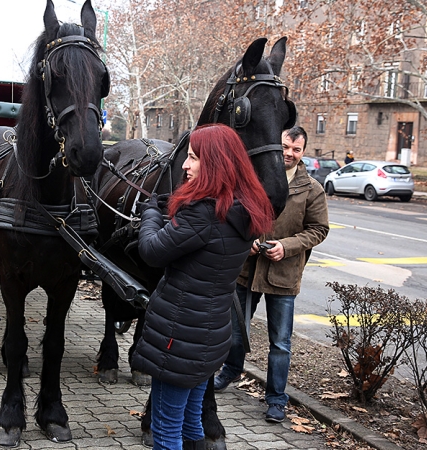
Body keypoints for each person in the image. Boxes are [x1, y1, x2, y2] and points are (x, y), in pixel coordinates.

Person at [130, 124, 275, 450]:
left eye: (193, 158)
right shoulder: (243, 209)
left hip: (178, 338)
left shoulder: (203, 214)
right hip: (209, 334)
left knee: (166, 430)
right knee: (192, 420)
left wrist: (150, 212)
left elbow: (152, 251)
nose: (185, 164)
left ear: (215, 163)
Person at [213, 126, 329, 424]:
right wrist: (247, 238)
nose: (289, 154)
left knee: (280, 343)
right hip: (247, 270)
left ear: (303, 152)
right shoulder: (254, 180)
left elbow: (319, 229)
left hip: (283, 275)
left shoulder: (311, 189)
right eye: (285, 147)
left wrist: (287, 246)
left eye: (296, 149)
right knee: (235, 331)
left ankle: (276, 399)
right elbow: (232, 213)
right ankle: (230, 371)